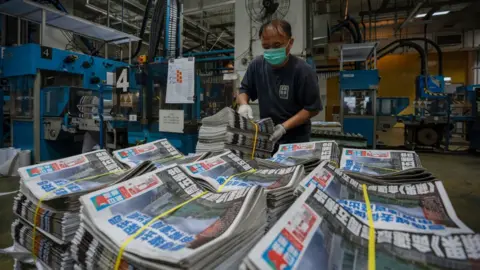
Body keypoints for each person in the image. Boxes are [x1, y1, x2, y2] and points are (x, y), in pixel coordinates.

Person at [236, 19, 322, 144]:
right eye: (266, 47)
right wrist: (243, 104)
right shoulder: (257, 65)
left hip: (296, 139)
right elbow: (244, 89)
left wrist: (283, 127)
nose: (271, 50)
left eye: (277, 45)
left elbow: (312, 108)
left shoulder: (303, 71)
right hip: (267, 135)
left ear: (290, 43)